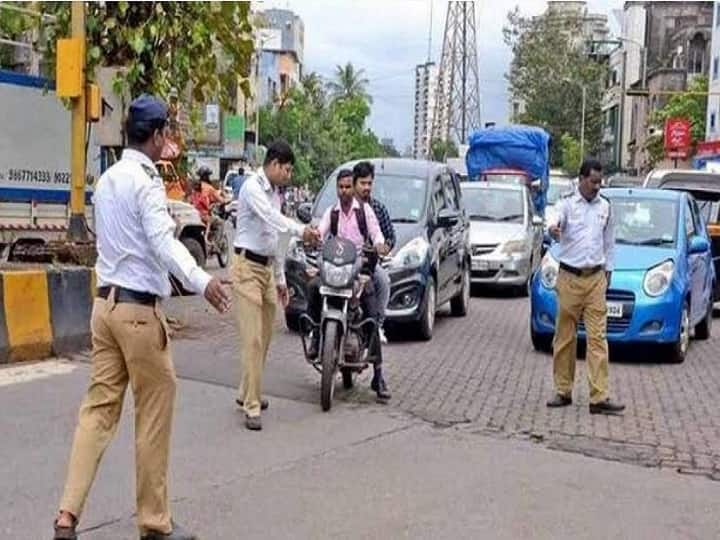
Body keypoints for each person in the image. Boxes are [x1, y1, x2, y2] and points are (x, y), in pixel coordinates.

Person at [53, 94, 231, 540]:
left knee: (96, 413)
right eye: (166, 133)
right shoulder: (147, 182)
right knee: (153, 414)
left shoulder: (109, 179)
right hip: (137, 314)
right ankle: (154, 524)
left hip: (104, 309)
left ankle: (66, 515)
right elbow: (162, 242)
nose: (167, 140)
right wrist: (200, 280)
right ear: (155, 137)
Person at [233, 140, 320, 431]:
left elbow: (276, 240)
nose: (288, 174)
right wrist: (301, 230)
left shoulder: (277, 195)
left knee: (266, 336)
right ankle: (252, 406)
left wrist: (280, 279)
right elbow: (273, 220)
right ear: (273, 164)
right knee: (253, 339)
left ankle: (247, 390)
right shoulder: (253, 188)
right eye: (286, 168)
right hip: (246, 268)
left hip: (267, 269)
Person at [546, 158, 625, 416]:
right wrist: (554, 228)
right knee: (565, 337)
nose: (596, 187)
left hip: (595, 279)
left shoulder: (605, 207)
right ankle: (563, 390)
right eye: (592, 182)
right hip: (569, 277)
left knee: (597, 338)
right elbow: (555, 219)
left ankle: (599, 396)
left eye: (599, 183)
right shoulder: (568, 203)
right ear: (581, 179)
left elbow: (609, 242)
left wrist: (609, 270)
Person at [305, 169, 392, 402]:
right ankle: (315, 335)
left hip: (358, 273)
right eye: (340, 187)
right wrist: (312, 237)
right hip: (334, 270)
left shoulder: (365, 212)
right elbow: (320, 233)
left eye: (347, 187)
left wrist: (380, 246)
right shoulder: (331, 213)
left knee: (372, 316)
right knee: (313, 287)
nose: (344, 191)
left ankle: (378, 375)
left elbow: (377, 235)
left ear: (353, 187)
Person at [352, 161, 395, 344]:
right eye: (363, 183)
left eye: (369, 183)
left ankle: (377, 326)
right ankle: (319, 331)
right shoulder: (341, 209)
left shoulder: (378, 209)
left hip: (369, 266)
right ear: (354, 184)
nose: (366, 187)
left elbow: (389, 237)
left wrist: (384, 247)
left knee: (383, 281)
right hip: (343, 264)